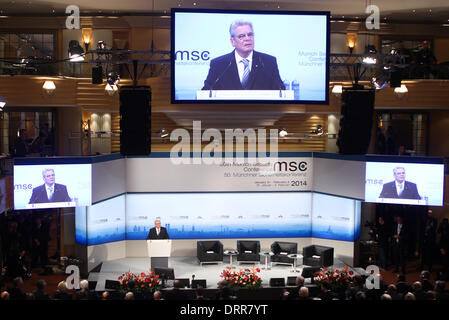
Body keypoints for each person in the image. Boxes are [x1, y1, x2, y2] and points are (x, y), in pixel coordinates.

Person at [202, 19, 285, 91]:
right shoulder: (219, 64)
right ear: (232, 41)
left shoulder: (268, 62)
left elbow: (281, 90)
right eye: (241, 36)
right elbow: (206, 92)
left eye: (250, 34)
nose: (247, 38)